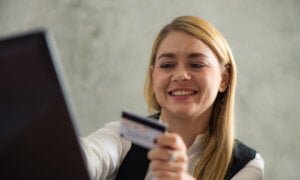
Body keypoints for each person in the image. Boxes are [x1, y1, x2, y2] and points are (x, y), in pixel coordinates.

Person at [80, 16, 264, 180]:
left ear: (224, 78)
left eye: (196, 64)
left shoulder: (247, 165)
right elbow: (82, 158)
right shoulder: (127, 133)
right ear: (153, 77)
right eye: (167, 65)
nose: (180, 75)